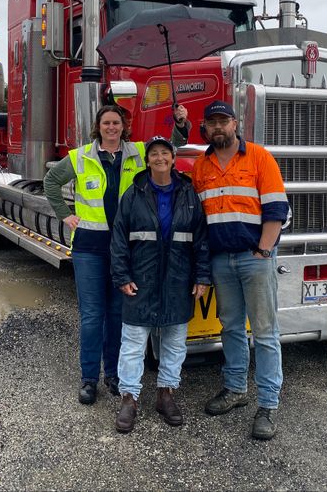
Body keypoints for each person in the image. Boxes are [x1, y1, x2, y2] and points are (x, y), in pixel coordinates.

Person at [43, 103, 190, 405]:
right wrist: (64, 215)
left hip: (125, 248)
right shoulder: (80, 156)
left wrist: (180, 122)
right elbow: (51, 182)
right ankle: (88, 379)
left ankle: (112, 375)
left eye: (117, 123)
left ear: (124, 126)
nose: (112, 127)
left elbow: (172, 148)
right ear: (99, 126)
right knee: (93, 315)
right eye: (107, 123)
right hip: (89, 247)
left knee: (116, 315)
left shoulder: (137, 152)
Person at [190, 100, 290, 440]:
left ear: (235, 124)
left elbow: (276, 208)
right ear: (205, 128)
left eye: (224, 121)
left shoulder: (260, 157)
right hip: (221, 259)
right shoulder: (200, 167)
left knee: (265, 332)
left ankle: (268, 403)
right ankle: (235, 390)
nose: (218, 127)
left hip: (254, 257)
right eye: (212, 122)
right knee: (230, 327)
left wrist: (263, 249)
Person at [109, 136, 210, 433]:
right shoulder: (133, 194)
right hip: (141, 281)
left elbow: (201, 241)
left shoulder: (189, 194)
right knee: (133, 344)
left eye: (165, 152)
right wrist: (122, 276)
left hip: (178, 281)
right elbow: (118, 240)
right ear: (148, 160)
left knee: (175, 344)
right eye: (154, 153)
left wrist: (202, 276)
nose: (160, 158)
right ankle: (129, 398)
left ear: (173, 158)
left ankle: (166, 394)